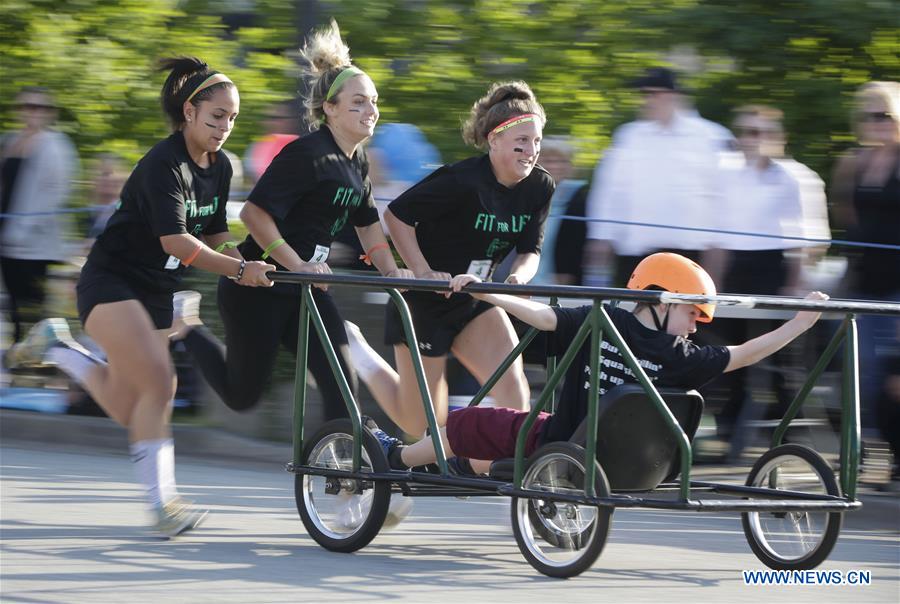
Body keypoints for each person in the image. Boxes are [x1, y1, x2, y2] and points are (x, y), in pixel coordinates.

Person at [11, 57, 273, 538]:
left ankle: (57, 348)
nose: (225, 128)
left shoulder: (221, 166)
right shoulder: (162, 164)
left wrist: (246, 263)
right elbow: (176, 242)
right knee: (160, 383)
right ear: (190, 111)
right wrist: (239, 270)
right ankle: (162, 504)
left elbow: (215, 234)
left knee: (133, 407)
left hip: (156, 290)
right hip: (111, 281)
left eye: (233, 119)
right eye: (217, 116)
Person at [366, 253, 828, 474]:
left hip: (562, 443)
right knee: (499, 429)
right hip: (632, 460)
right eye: (693, 313)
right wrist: (799, 324)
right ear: (663, 301)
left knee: (467, 421)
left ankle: (396, 459)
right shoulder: (680, 359)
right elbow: (746, 354)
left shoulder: (600, 321)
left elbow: (543, 317)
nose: (695, 326)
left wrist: (487, 293)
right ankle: (448, 466)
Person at [170, 21, 413, 423]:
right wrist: (298, 265)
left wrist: (392, 274)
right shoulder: (307, 154)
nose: (371, 111)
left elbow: (369, 223)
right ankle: (186, 326)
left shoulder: (357, 161)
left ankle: (340, 461)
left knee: (342, 386)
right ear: (330, 108)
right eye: (358, 102)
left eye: (373, 101)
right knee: (241, 395)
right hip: (258, 287)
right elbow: (253, 214)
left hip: (305, 289)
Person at [346, 80, 555, 437]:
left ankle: (503, 463)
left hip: (475, 295)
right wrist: (423, 271)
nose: (531, 150)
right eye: (522, 141)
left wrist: (518, 278)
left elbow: (530, 250)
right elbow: (396, 216)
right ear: (494, 140)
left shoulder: (540, 186)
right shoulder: (461, 179)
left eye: (537, 141)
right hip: (425, 303)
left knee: (514, 390)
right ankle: (357, 352)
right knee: (422, 423)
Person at [707, 104, 828, 444]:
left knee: (778, 355)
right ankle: (729, 430)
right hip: (736, 268)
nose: (749, 139)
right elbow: (717, 234)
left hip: (776, 269)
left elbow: (807, 237)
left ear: (777, 136)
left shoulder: (796, 176)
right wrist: (712, 284)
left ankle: (789, 432)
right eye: (744, 132)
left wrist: (795, 283)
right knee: (729, 351)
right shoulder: (727, 175)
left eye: (758, 132)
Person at [582, 67, 734, 287]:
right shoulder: (629, 136)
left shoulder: (712, 137)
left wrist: (717, 256)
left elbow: (724, 201)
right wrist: (601, 239)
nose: (646, 101)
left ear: (673, 95)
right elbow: (609, 193)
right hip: (636, 256)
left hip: (692, 257)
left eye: (653, 94)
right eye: (644, 94)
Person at [830, 81, 900, 430]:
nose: (877, 123)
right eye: (869, 116)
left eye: (884, 115)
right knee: (861, 365)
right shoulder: (852, 163)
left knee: (893, 372)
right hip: (862, 280)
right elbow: (845, 214)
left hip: (898, 281)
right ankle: (865, 442)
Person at [0, 87, 78, 345]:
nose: (33, 112)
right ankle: (18, 355)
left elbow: (56, 192)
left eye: (40, 107)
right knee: (13, 308)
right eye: (27, 106)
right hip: (6, 240)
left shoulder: (57, 145)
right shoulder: (8, 140)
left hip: (35, 245)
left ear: (49, 113)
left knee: (33, 309)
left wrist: (22, 228)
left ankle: (36, 357)